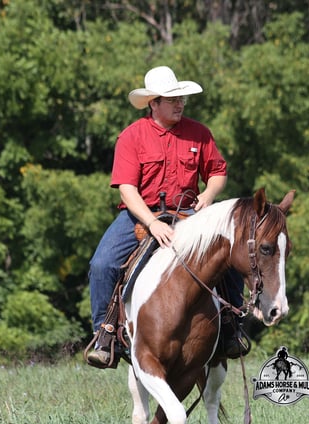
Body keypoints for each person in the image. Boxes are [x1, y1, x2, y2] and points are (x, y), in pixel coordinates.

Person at [86, 65, 249, 367]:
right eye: (171, 99)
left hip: (189, 213)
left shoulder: (199, 133)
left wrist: (208, 196)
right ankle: (105, 333)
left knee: (228, 255)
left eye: (181, 98)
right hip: (140, 217)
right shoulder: (131, 136)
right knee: (102, 264)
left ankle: (231, 325)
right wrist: (151, 223)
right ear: (153, 103)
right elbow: (126, 189)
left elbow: (217, 172)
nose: (180, 104)